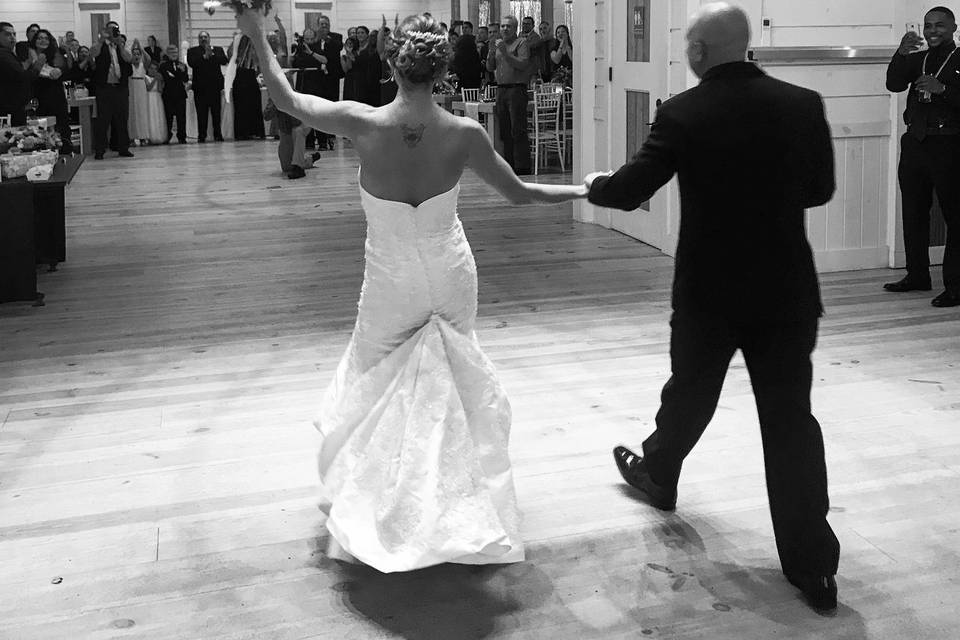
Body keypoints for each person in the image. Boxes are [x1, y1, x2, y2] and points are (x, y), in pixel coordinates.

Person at [235, 8, 587, 573]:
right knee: (450, 382)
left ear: (394, 68)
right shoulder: (464, 134)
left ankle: (386, 501)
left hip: (391, 279)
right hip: (450, 272)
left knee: (377, 382)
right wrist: (582, 190)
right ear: (442, 73)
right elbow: (520, 193)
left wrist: (255, 32)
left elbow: (284, 98)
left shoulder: (363, 123)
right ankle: (450, 502)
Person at [585, 2, 841, 615]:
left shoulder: (683, 112)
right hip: (785, 287)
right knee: (790, 422)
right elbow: (821, 190)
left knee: (692, 389)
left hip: (710, 288)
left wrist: (597, 184)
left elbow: (630, 190)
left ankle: (660, 473)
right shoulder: (802, 103)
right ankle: (814, 570)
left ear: (699, 52)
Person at [885, 6, 960, 308]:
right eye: (928, 26)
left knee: (955, 216)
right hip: (915, 142)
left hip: (949, 143)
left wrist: (942, 89)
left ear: (954, 27)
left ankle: (955, 285)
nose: (932, 31)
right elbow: (893, 84)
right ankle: (917, 275)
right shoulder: (919, 57)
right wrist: (901, 54)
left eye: (940, 25)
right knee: (914, 211)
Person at [487, 16, 532, 174]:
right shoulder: (499, 45)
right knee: (504, 130)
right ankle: (509, 165)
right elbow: (490, 67)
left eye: (509, 26)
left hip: (516, 89)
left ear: (515, 28)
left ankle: (522, 166)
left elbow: (522, 64)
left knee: (517, 129)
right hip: (501, 90)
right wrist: (492, 52)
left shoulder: (521, 43)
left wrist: (506, 54)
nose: (505, 29)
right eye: (503, 26)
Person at [89, 21, 134, 159]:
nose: (113, 33)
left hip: (120, 88)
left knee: (122, 118)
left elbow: (129, 58)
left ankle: (123, 148)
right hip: (104, 88)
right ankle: (100, 149)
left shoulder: (121, 45)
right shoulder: (100, 45)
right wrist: (102, 40)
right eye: (110, 30)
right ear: (105, 31)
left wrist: (120, 44)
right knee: (103, 120)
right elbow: (93, 53)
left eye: (115, 30)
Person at [27, 28, 74, 153]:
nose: (43, 40)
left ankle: (65, 152)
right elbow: (28, 75)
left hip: (56, 95)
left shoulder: (55, 53)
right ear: (34, 40)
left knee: (62, 125)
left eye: (46, 38)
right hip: (37, 96)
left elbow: (66, 69)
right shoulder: (28, 54)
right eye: (40, 38)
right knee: (40, 129)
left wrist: (60, 70)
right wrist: (39, 62)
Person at [187, 31, 228, 142]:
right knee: (201, 113)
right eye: (201, 37)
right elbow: (192, 63)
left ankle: (218, 134)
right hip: (200, 88)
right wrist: (204, 56)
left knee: (216, 113)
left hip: (214, 87)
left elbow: (224, 61)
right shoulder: (192, 51)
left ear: (209, 38)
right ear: (198, 39)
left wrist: (212, 55)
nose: (203, 39)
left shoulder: (218, 49)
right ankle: (202, 135)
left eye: (205, 37)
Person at [0, 22, 31, 125]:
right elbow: (21, 76)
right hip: (9, 109)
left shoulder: (9, 53)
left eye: (14, 34)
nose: (13, 37)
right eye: (7, 34)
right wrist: (37, 65)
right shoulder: (3, 54)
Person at [159, 45, 189, 143]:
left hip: (180, 94)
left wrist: (181, 71)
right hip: (168, 94)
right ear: (167, 54)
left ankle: (182, 137)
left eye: (175, 52)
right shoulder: (163, 65)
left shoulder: (183, 65)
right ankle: (167, 136)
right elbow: (167, 77)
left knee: (181, 117)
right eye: (171, 52)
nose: (174, 54)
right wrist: (178, 74)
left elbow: (185, 79)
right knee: (168, 117)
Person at [127, 39, 151, 145]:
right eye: (134, 54)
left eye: (138, 54)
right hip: (131, 87)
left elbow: (149, 59)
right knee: (132, 113)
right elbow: (127, 57)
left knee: (142, 112)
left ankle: (143, 137)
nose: (136, 56)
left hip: (141, 87)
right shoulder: (128, 65)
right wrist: (132, 47)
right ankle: (131, 137)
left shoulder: (143, 65)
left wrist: (140, 47)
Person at [452, 20, 482, 89]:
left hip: (473, 71)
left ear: (471, 29)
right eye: (463, 28)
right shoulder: (460, 40)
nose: (464, 30)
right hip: (462, 72)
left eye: (466, 28)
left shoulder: (475, 40)